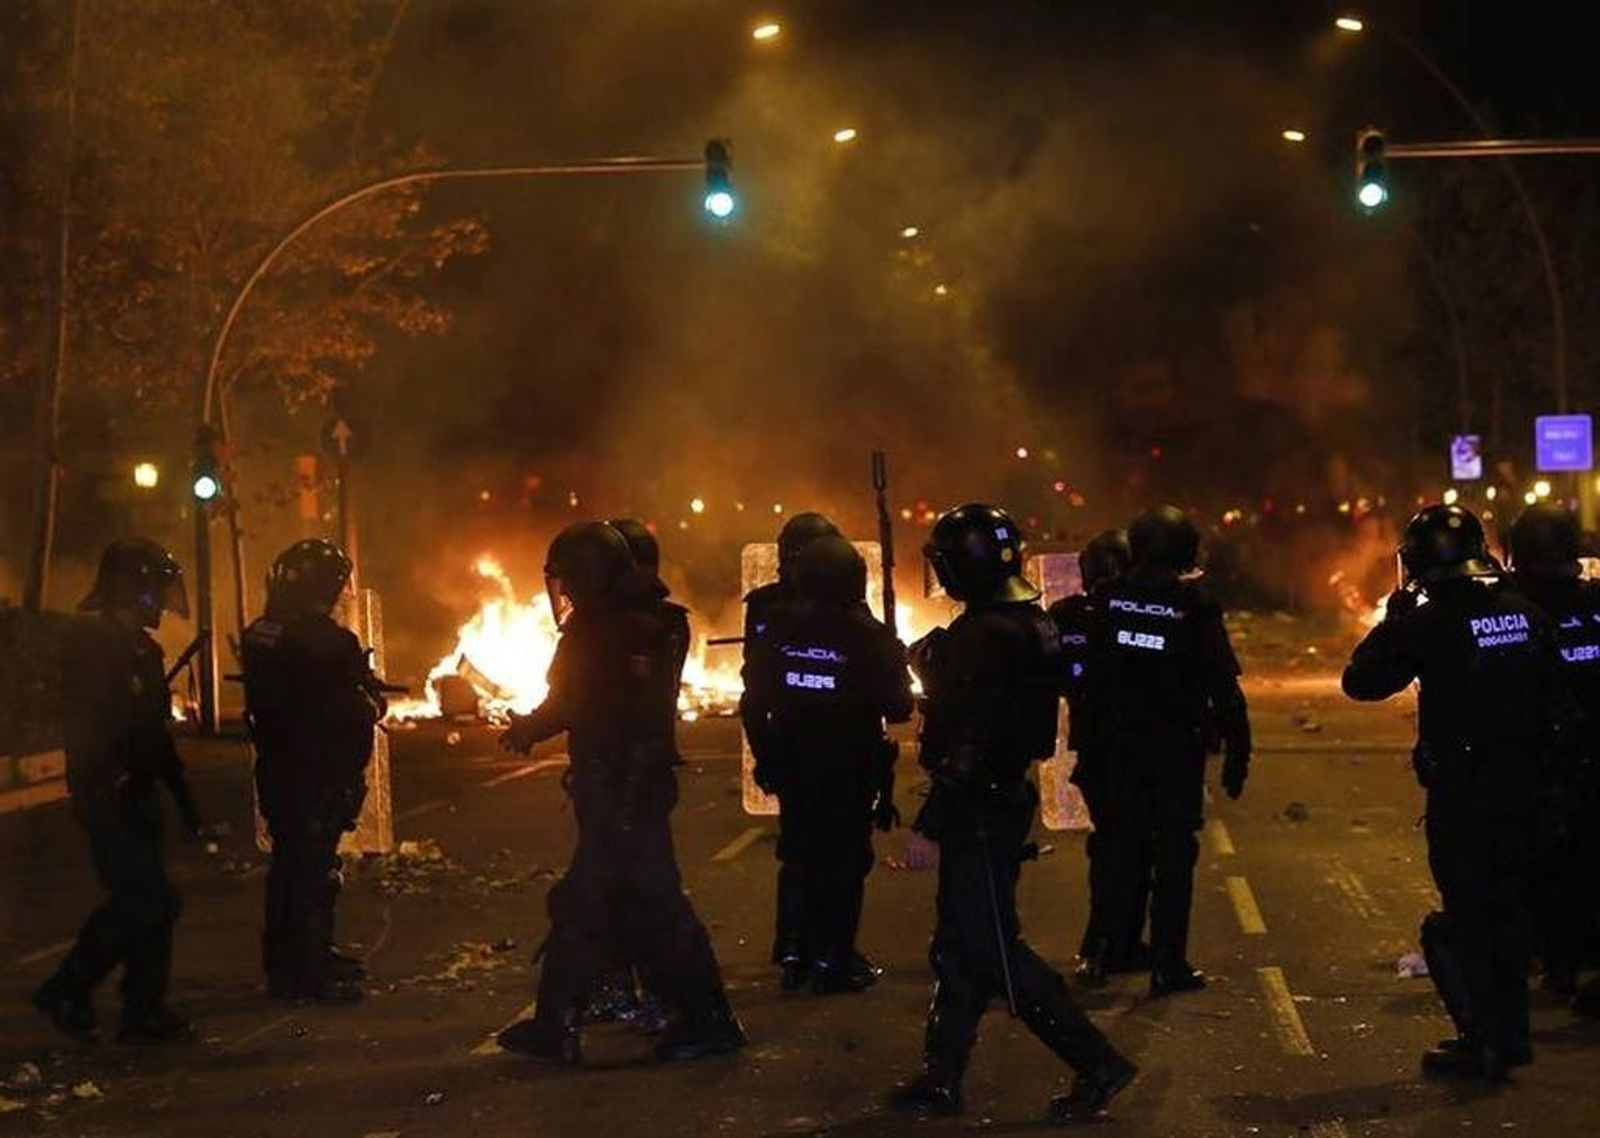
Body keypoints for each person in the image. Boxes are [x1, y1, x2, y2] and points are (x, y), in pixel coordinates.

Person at [890, 504, 1136, 1124]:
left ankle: (1097, 1062)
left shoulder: (983, 635)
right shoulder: (1029, 621)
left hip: (978, 804)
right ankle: (941, 1078)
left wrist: (930, 825)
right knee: (959, 946)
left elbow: (970, 739)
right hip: (1001, 796)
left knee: (995, 952)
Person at [497, 522, 745, 1063]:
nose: (561, 593)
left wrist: (528, 730)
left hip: (619, 787)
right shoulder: (651, 624)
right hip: (632, 784)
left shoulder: (601, 631)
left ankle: (706, 1021)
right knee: (592, 903)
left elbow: (570, 703)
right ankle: (558, 1023)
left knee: (643, 907)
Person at [1344, 503, 1573, 1080]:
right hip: (1530, 789)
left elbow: (1363, 681)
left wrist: (1395, 619)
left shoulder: (1430, 621)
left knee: (1467, 919)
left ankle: (1483, 1041)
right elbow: (1559, 700)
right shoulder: (1526, 612)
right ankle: (1513, 1035)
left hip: (1467, 794)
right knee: (1512, 912)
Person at [31, 539, 209, 1044]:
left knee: (150, 899)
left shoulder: (144, 652)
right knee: (148, 898)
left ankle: (143, 1010)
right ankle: (67, 986)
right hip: (106, 793)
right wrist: (104, 779)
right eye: (155, 587)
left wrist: (187, 807)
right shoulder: (93, 647)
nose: (161, 599)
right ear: (135, 589)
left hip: (139, 791)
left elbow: (156, 737)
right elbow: (89, 727)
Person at [1086, 505, 1251, 997]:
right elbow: (1223, 684)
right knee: (1174, 861)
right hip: (1175, 753)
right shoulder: (1194, 606)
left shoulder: (1106, 600)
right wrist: (1239, 751)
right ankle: (1167, 964)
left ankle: (1106, 951)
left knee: (1121, 853)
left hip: (1116, 751)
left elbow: (1089, 679)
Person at [742, 534, 913, 993]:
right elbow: (899, 709)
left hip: (792, 760)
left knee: (798, 855)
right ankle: (833, 958)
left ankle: (793, 951)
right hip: (848, 764)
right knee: (844, 860)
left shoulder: (777, 627)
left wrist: (766, 757)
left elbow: (753, 699)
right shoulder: (868, 634)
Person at [241, 540, 383, 1004]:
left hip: (278, 766)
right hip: (318, 770)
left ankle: (286, 961)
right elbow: (358, 710)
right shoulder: (330, 641)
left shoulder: (261, 631)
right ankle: (308, 970)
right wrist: (368, 693)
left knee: (288, 867)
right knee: (314, 871)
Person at [1503, 504, 1600, 1011]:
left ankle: (1557, 965)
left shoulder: (1511, 612)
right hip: (1583, 759)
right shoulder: (1593, 602)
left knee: (1547, 868)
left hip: (1540, 764)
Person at [1047, 529, 1147, 986]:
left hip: (1096, 748)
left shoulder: (1067, 616)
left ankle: (1113, 941)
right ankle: (1109, 943)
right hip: (1131, 749)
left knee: (1113, 845)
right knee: (1126, 849)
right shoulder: (1133, 616)